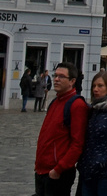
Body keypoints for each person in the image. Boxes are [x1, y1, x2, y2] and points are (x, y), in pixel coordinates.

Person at [37, 64, 91, 196]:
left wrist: (58, 169)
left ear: (72, 81)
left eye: (61, 76)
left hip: (57, 173)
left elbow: (77, 144)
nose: (56, 79)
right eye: (55, 75)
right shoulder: (55, 102)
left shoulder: (76, 105)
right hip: (42, 170)